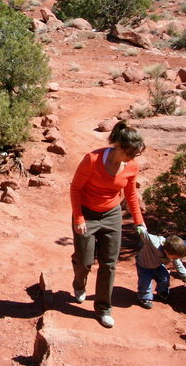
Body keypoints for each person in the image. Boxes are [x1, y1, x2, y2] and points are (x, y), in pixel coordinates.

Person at [69, 120, 146, 329]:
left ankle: (103, 309)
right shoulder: (92, 159)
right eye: (130, 153)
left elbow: (130, 194)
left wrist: (139, 222)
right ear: (119, 146)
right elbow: (75, 189)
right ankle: (79, 283)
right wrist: (79, 218)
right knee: (85, 260)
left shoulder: (131, 166)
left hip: (112, 215)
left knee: (109, 263)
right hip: (86, 212)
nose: (133, 158)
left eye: (136, 155)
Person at [135, 227, 186, 309]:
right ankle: (144, 297)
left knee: (164, 276)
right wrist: (140, 229)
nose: (174, 259)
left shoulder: (172, 253)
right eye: (174, 257)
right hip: (144, 265)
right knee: (145, 282)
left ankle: (162, 291)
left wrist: (185, 277)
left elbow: (178, 265)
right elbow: (146, 236)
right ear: (166, 251)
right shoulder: (155, 243)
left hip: (157, 265)